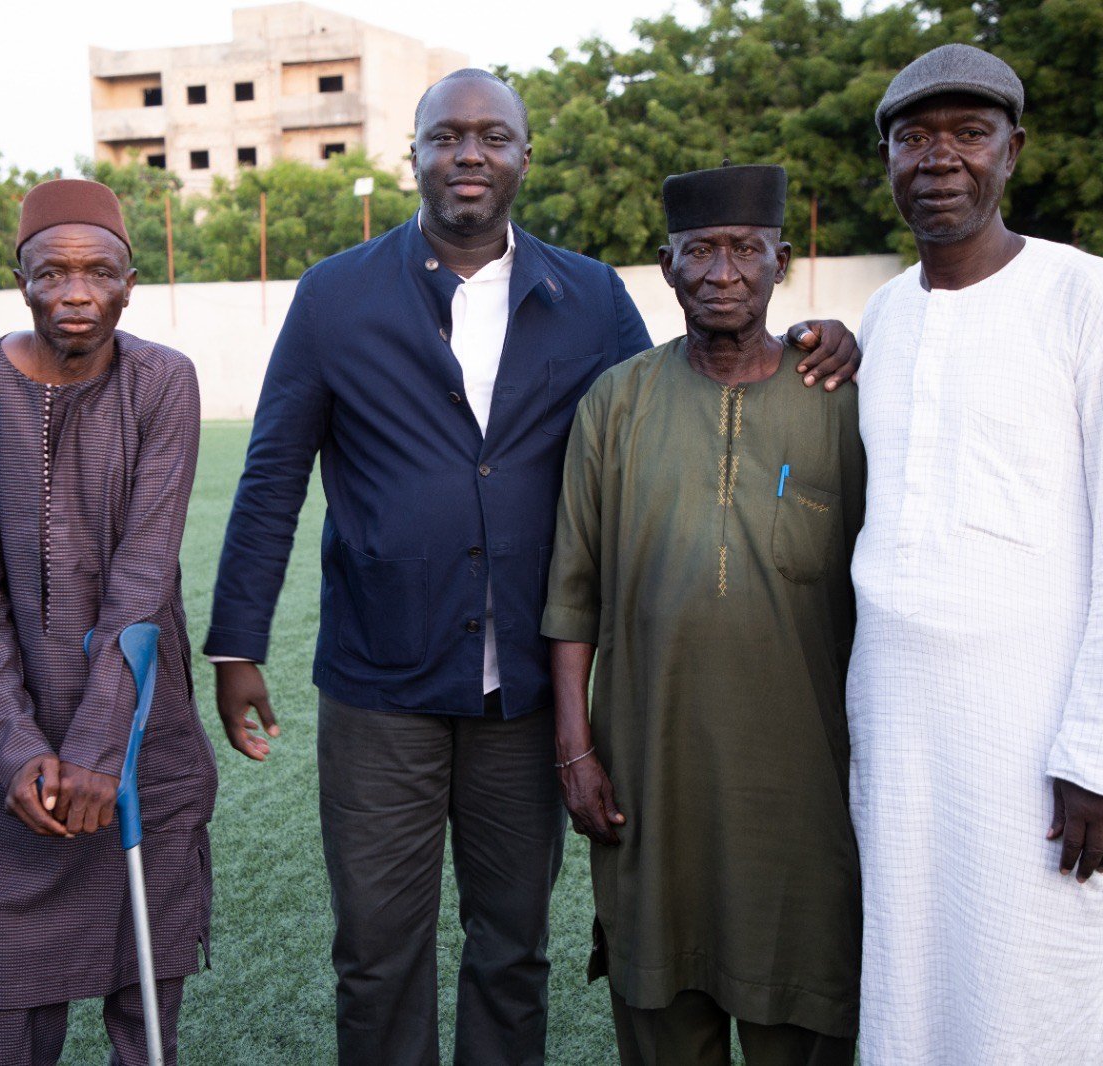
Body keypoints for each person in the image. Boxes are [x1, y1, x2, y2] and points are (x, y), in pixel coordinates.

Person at [205, 67, 859, 1065]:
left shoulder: (590, 296)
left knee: (512, 951)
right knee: (377, 953)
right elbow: (270, 479)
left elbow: (676, 400)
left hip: (524, 693)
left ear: (522, 156)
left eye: (493, 137)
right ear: (412, 155)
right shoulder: (334, 296)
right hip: (382, 684)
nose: (470, 155)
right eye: (447, 137)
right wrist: (237, 643)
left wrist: (822, 338)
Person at [848, 44, 1103, 1064]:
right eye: (913, 138)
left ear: (1011, 153)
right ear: (889, 162)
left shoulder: (1087, 298)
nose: (937, 159)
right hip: (898, 734)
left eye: (966, 134)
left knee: (1034, 993)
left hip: (1038, 747)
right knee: (907, 985)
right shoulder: (884, 314)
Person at [543, 162, 863, 1066]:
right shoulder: (617, 402)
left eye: (747, 250)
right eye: (702, 251)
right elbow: (573, 595)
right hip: (650, 780)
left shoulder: (841, 400)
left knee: (801, 1013)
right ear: (666, 265)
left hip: (805, 790)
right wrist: (576, 752)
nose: (724, 271)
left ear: (782, 263)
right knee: (661, 1007)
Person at [0, 178, 216, 1066]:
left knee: (148, 1005)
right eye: (53, 272)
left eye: (100, 272)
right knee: (18, 1004)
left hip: (145, 744)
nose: (77, 293)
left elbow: (141, 581)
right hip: (25, 762)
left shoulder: (164, 382)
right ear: (20, 278)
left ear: (132, 281)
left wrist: (100, 753)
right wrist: (18, 753)